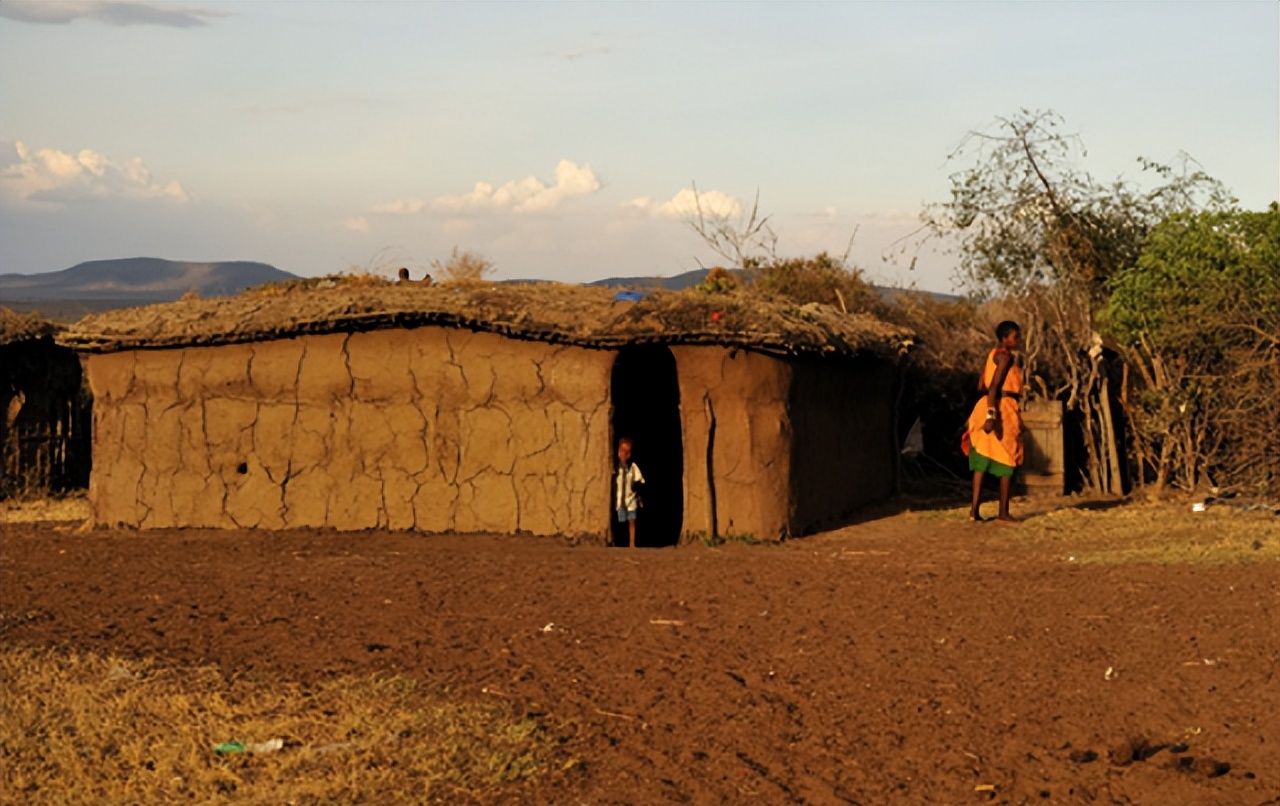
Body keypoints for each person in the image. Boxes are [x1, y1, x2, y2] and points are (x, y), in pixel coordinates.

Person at [967, 320, 1024, 523]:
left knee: (982, 459)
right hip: (1001, 409)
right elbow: (992, 388)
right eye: (1015, 337)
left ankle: (974, 511)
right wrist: (993, 416)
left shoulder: (992, 355)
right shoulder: (1005, 357)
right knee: (1008, 457)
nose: (1018, 341)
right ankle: (1003, 512)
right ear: (1005, 338)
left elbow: (982, 383)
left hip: (985, 407)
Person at [614, 437, 645, 548]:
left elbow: (640, 480)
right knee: (621, 520)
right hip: (620, 500)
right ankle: (620, 542)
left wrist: (636, 488)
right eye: (621, 451)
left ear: (629, 454)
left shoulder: (633, 468)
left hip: (631, 499)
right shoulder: (615, 468)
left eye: (626, 452)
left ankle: (632, 543)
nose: (623, 454)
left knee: (631, 521)